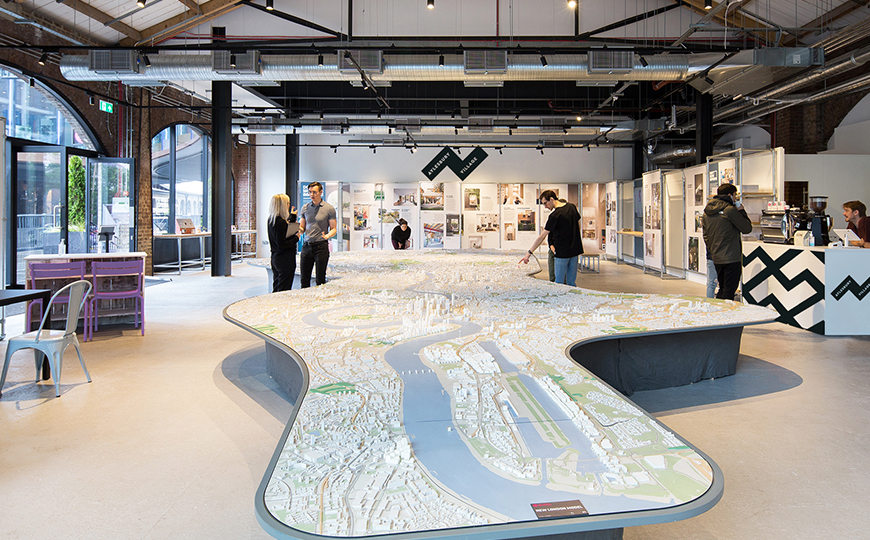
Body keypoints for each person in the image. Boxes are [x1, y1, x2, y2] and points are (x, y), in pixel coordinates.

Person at [519, 190, 583, 286]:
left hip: (562, 253)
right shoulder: (572, 207)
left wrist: (529, 253)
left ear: (552, 199)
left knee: (559, 283)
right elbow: (578, 225)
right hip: (574, 250)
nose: (545, 206)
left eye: (545, 203)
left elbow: (542, 236)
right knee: (571, 282)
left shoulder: (554, 216)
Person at [702, 184, 753, 300]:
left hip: (716, 257)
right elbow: (747, 228)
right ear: (730, 195)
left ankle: (717, 308)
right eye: (735, 195)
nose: (735, 198)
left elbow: (706, 235)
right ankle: (724, 310)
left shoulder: (707, 212)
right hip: (731, 257)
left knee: (723, 288)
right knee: (729, 291)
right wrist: (741, 211)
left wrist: (713, 250)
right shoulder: (730, 210)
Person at [299, 182, 337, 287]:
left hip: (321, 246)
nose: (312, 194)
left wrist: (328, 236)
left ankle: (320, 297)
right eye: (310, 192)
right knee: (304, 279)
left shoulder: (329, 209)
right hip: (307, 246)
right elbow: (302, 227)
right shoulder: (305, 208)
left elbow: (333, 228)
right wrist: (297, 229)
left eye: (314, 192)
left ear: (321, 192)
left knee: (320, 279)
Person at [267, 193, 298, 292]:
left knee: (277, 286)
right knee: (284, 289)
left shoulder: (271, 220)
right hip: (285, 259)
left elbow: (285, 234)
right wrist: (296, 238)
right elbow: (282, 244)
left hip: (276, 258)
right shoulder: (281, 222)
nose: (289, 205)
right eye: (287, 203)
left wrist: (292, 218)